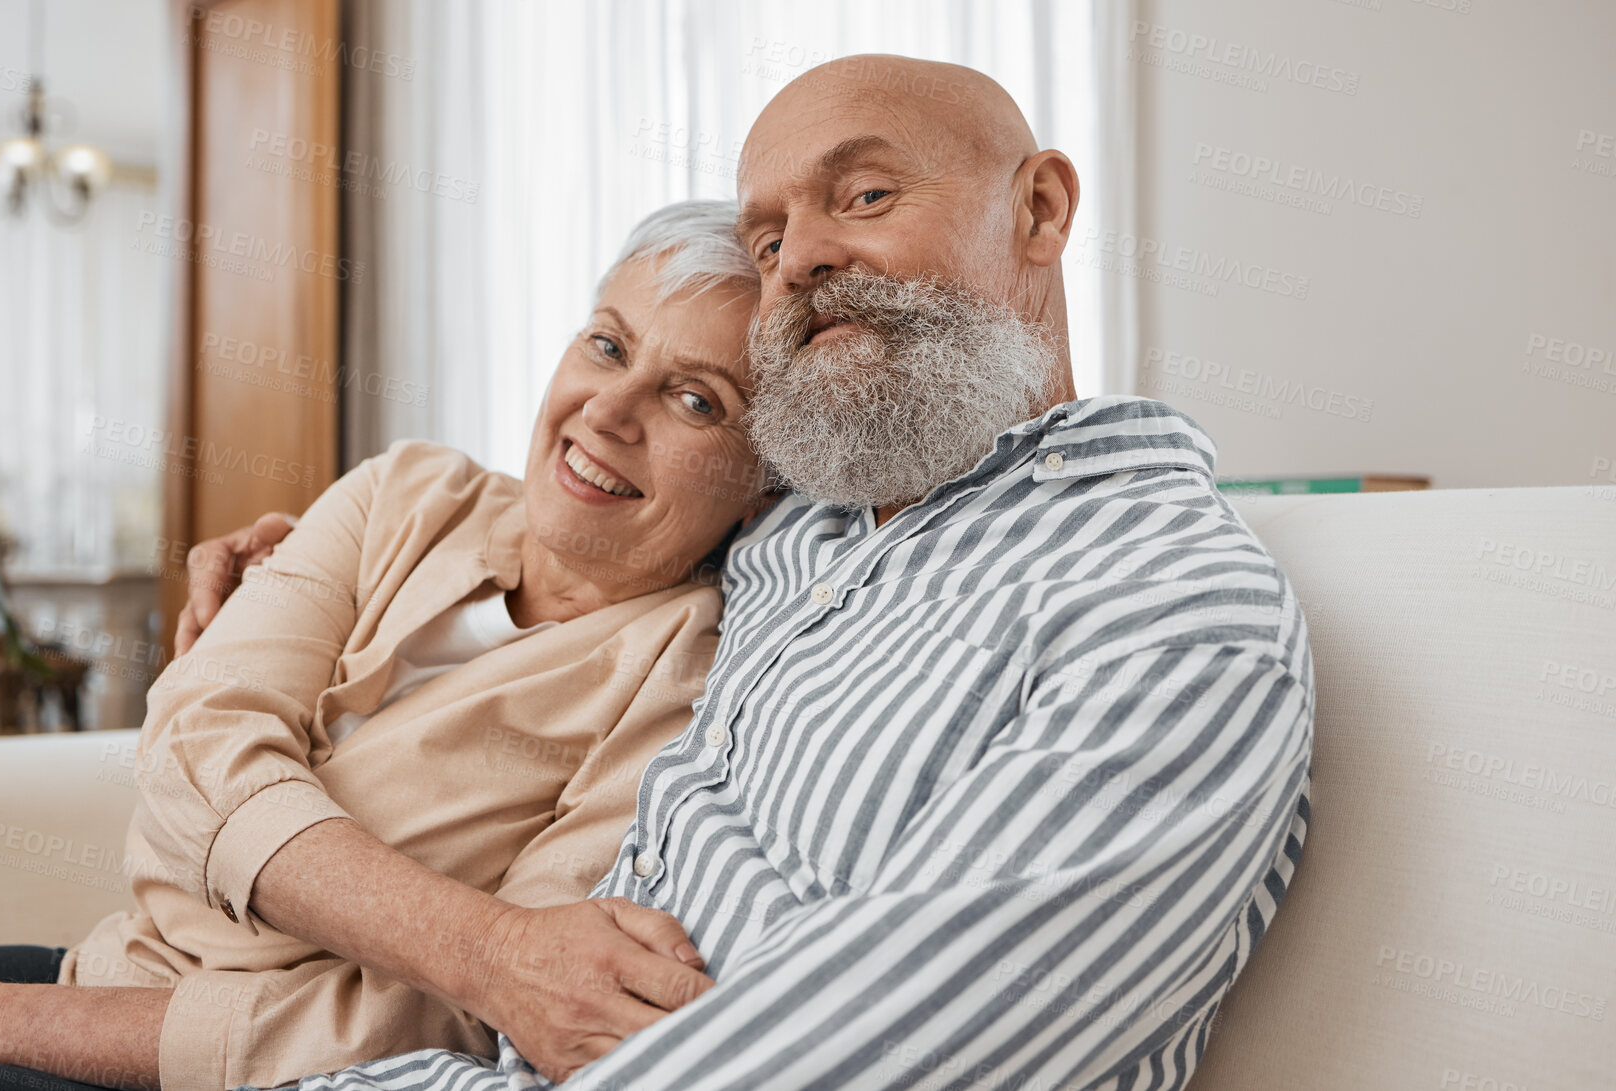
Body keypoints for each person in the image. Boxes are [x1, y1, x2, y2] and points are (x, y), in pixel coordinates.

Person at [209, 55, 1315, 1091]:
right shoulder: (805, 527)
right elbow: (611, 488)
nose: (802, 258)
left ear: (1039, 208)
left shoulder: (1168, 615)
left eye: (864, 195)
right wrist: (312, 564)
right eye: (769, 236)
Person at [0, 201, 768, 1091]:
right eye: (605, 344)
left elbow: (455, 1021)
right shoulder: (407, 490)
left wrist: (24, 1022)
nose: (606, 409)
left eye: (694, 400)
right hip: (107, 960)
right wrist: (490, 946)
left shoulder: (684, 680)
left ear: (765, 484)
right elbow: (189, 744)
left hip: (182, 1061)